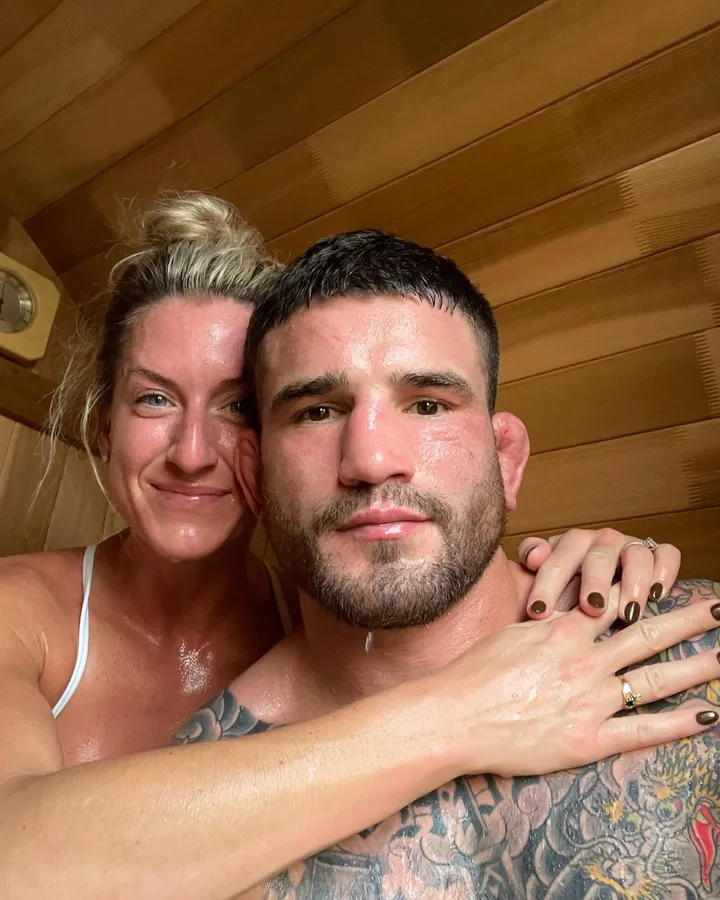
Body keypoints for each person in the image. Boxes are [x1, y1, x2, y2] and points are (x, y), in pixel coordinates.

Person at [0, 194, 697, 900]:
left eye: (237, 406)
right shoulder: (20, 610)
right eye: (154, 399)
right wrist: (468, 711)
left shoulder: (319, 604)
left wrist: (593, 562)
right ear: (104, 426)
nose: (193, 453)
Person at [175, 228, 720, 899]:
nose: (371, 460)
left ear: (506, 460)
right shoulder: (191, 807)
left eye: (428, 404)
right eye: (317, 412)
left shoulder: (696, 648)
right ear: (255, 480)